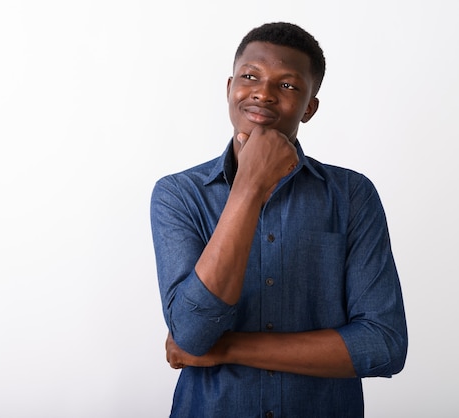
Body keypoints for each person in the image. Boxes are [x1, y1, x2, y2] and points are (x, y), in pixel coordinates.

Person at [149, 22, 408, 418]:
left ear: (309, 107)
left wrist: (229, 348)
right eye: (250, 76)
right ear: (229, 87)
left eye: (287, 85)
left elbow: (383, 345)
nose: (263, 93)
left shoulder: (352, 195)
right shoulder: (179, 195)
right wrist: (249, 187)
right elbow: (192, 333)